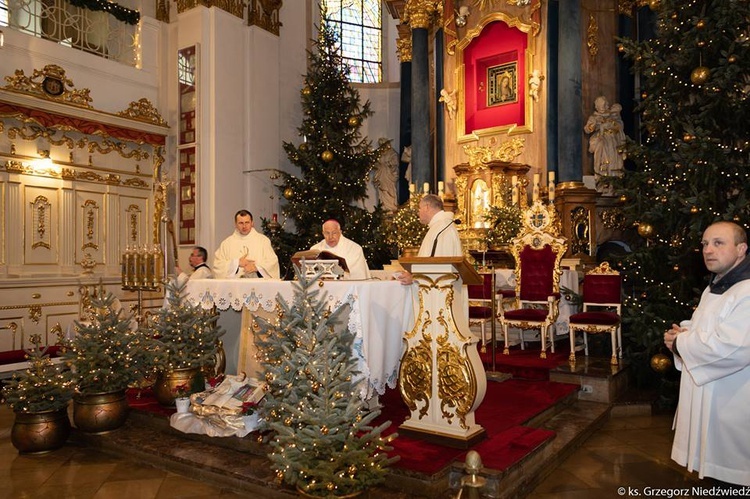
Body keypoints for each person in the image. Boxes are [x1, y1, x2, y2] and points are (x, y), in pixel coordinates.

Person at [663, 221, 750, 487]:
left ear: (741, 249)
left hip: (731, 399)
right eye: (704, 244)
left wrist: (681, 344)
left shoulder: (746, 291)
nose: (708, 250)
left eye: (718, 243)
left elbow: (734, 348)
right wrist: (683, 333)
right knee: (714, 479)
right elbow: (708, 328)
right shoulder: (714, 287)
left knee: (733, 479)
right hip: (713, 396)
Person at [395, 194, 462, 285]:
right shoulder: (438, 227)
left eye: (419, 208)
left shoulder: (442, 228)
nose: (418, 212)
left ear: (427, 207)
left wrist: (414, 277)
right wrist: (411, 274)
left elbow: (440, 267)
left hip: (440, 291)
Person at [213, 210, 280, 279]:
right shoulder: (226, 243)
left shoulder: (263, 241)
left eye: (247, 222)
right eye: (241, 223)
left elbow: (272, 262)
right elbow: (218, 266)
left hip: (258, 285)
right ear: (235, 224)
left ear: (252, 223)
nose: (244, 226)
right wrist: (236, 263)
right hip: (234, 287)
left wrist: (257, 267)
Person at [584, 96, 626, 180]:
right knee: (601, 150)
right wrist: (593, 125)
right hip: (602, 139)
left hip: (613, 140)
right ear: (597, 107)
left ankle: (615, 179)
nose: (605, 107)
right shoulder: (594, 117)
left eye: (606, 105)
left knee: (615, 159)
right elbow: (587, 129)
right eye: (602, 105)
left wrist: (612, 125)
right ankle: (602, 177)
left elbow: (620, 125)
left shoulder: (613, 116)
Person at [373, 138, 399, 213]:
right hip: (381, 175)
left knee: (390, 191)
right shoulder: (380, 154)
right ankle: (384, 208)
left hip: (389, 176)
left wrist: (388, 164)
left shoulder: (392, 153)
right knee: (382, 192)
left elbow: (395, 162)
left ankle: (391, 208)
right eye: (381, 145)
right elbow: (375, 163)